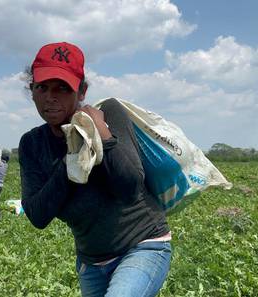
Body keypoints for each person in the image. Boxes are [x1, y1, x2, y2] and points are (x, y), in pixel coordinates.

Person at [19, 42, 172, 297]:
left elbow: (130, 188)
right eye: (41, 87)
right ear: (32, 90)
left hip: (143, 245)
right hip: (91, 263)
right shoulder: (33, 143)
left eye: (62, 88)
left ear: (82, 92)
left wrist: (103, 136)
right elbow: (37, 214)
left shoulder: (108, 114)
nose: (50, 97)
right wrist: (73, 156)